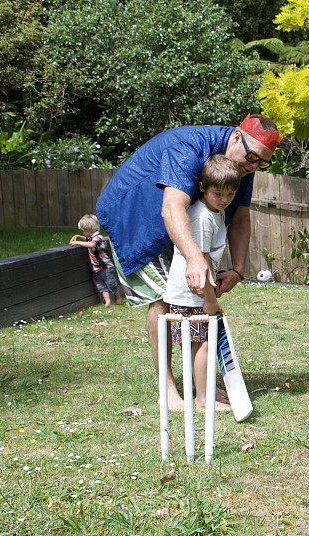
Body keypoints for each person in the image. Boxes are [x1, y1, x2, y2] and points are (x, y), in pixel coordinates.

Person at [95, 114, 281, 412]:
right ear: (235, 136)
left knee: (192, 304)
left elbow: (241, 216)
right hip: (135, 217)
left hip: (177, 222)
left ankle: (201, 387)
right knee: (162, 299)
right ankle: (167, 390)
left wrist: (238, 269)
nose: (254, 165)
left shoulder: (240, 166)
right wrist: (195, 259)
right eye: (251, 157)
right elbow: (171, 208)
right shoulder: (188, 146)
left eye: (262, 162)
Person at [164, 154, 239, 412]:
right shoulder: (203, 218)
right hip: (190, 294)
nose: (224, 199)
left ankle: (207, 390)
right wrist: (210, 300)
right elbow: (200, 268)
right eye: (218, 193)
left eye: (230, 194)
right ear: (202, 188)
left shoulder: (215, 211)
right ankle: (203, 401)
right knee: (203, 343)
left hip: (196, 292)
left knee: (203, 342)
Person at [69, 214, 122, 306]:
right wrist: (79, 237)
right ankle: (107, 301)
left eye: (82, 231)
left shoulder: (98, 238)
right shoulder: (91, 237)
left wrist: (77, 242)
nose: (82, 233)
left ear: (88, 230)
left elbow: (92, 245)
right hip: (96, 268)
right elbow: (87, 239)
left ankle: (117, 297)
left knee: (111, 284)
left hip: (106, 267)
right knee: (101, 286)